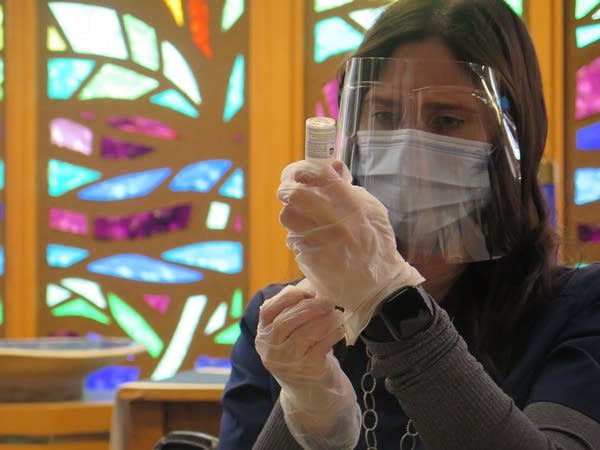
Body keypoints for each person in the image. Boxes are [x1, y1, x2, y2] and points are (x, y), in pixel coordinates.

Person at [218, 0, 600, 449]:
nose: (410, 149)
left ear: (511, 138)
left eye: (447, 120)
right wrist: (305, 403)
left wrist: (391, 302)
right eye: (384, 115)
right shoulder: (284, 322)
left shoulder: (578, 311)